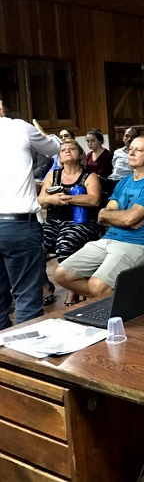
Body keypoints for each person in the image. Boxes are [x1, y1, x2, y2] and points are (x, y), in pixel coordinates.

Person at [55, 136, 144, 299]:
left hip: (139, 244)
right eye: (130, 149)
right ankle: (117, 300)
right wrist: (121, 218)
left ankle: (114, 303)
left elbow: (128, 218)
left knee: (97, 285)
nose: (131, 153)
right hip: (109, 239)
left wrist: (120, 218)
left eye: (138, 150)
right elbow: (103, 215)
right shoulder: (124, 182)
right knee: (62, 274)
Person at [0, 94, 61, 329]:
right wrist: (48, 135)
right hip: (18, 227)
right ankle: (24, 358)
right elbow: (53, 147)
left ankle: (5, 360)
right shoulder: (19, 128)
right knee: (27, 295)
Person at [39, 139, 104, 306]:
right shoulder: (53, 176)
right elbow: (41, 200)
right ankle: (45, 285)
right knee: (35, 247)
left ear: (80, 155)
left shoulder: (89, 176)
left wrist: (67, 198)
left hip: (81, 222)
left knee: (64, 245)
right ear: (59, 157)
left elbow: (94, 200)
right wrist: (51, 199)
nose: (67, 151)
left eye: (72, 148)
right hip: (54, 221)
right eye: (63, 149)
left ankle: (72, 287)